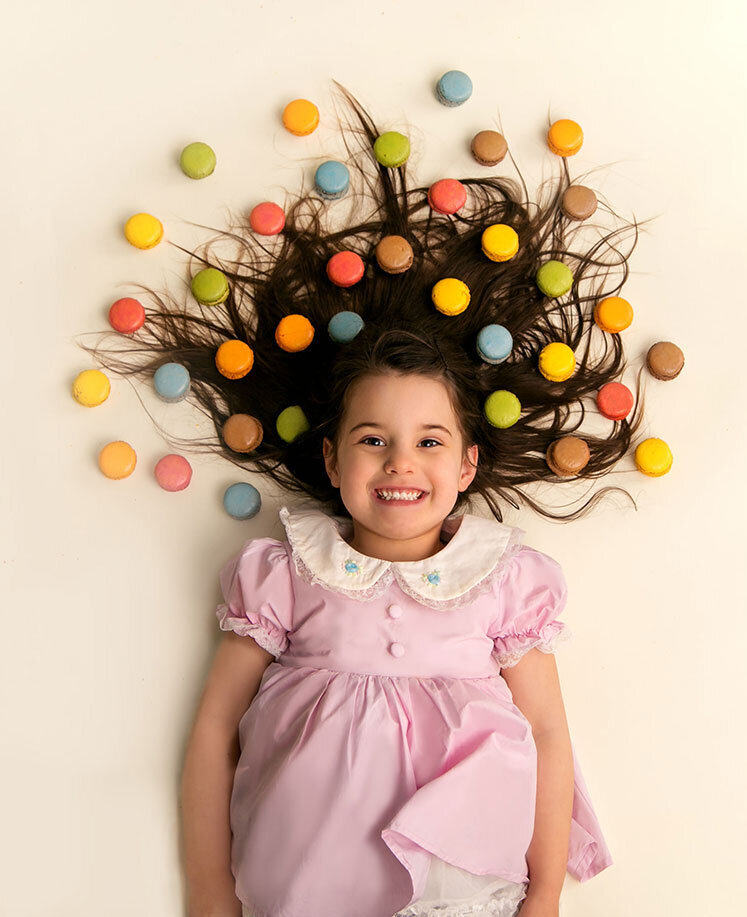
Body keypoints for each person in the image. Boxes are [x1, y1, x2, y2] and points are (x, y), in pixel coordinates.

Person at [83, 86, 646, 916]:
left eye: (428, 442)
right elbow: (213, 730)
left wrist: (545, 891)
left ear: (465, 467)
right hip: (301, 879)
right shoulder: (283, 574)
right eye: (372, 438)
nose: (399, 462)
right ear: (331, 458)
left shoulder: (501, 581)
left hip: (461, 882)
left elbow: (550, 734)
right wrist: (208, 884)